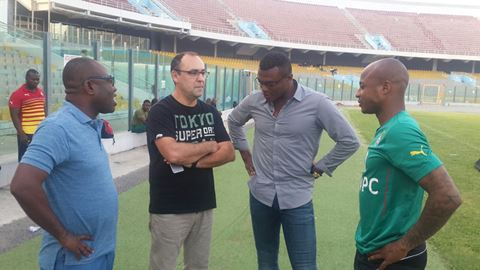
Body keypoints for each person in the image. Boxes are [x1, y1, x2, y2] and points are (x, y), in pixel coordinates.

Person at [227, 52, 360, 270]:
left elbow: (349, 141)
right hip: (261, 194)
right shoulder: (255, 101)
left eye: (271, 84)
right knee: (266, 258)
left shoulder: (317, 103)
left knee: (304, 265)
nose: (264, 89)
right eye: (261, 83)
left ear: (289, 78)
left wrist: (320, 168)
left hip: (297, 197)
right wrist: (244, 152)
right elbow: (233, 121)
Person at [10, 57, 119, 270]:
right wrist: (63, 236)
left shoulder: (89, 124)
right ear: (90, 86)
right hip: (74, 260)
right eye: (110, 80)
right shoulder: (58, 128)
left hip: (100, 252)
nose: (114, 88)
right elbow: (22, 186)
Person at [354, 58, 462, 270]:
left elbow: (448, 196)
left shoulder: (400, 131)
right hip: (373, 250)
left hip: (393, 260)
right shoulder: (389, 129)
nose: (358, 93)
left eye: (362, 86)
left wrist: (404, 245)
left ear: (385, 88)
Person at [146, 51, 235, 270]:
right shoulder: (160, 112)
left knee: (198, 266)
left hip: (203, 204)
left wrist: (193, 161)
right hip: (169, 207)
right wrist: (208, 145)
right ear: (175, 76)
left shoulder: (210, 112)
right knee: (162, 267)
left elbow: (228, 152)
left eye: (203, 72)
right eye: (193, 72)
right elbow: (173, 154)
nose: (201, 78)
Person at [8, 69, 46, 161]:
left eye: (37, 79)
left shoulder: (41, 92)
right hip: (27, 133)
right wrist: (21, 133)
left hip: (40, 132)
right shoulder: (17, 94)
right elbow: (14, 115)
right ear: (26, 78)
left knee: (40, 158)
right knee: (25, 160)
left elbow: (42, 110)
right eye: (33, 79)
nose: (36, 82)